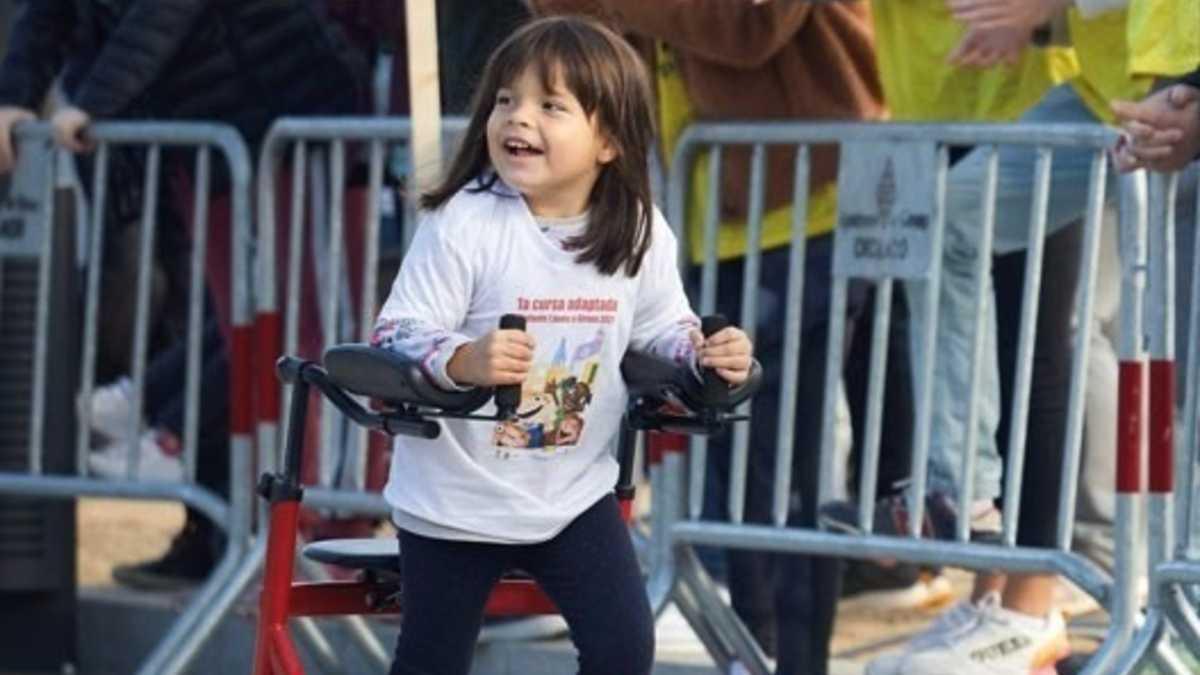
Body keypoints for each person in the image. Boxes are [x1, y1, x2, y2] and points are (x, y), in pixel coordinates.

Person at [529, 3, 916, 672]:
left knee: (788, 456)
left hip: (808, 201)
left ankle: (789, 655)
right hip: (722, 203)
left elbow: (751, 24)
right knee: (739, 453)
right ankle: (751, 646)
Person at [368, 16, 753, 675]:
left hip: (573, 494)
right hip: (456, 498)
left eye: (551, 105)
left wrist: (708, 353)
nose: (518, 119)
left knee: (624, 650)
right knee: (432, 661)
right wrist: (464, 360)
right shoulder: (464, 219)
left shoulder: (636, 227)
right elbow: (397, 335)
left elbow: (664, 326)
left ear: (608, 140)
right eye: (506, 100)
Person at [0, 0, 367, 589]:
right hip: (201, 135)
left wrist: (92, 102)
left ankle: (335, 545)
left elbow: (164, 13)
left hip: (289, 110)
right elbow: (49, 13)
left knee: (316, 334)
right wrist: (14, 95)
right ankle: (264, 546)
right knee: (242, 337)